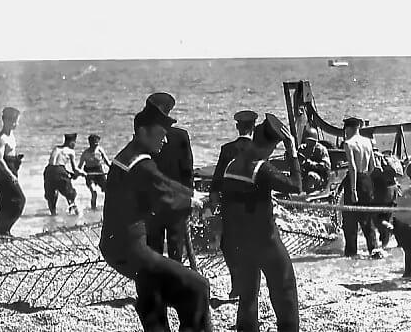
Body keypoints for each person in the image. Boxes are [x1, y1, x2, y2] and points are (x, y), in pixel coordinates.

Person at [99, 98, 210, 332]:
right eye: (161, 132)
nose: (166, 138)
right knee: (198, 287)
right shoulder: (141, 165)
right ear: (143, 132)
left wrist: (192, 193)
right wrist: (194, 202)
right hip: (131, 249)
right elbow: (164, 197)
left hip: (117, 246)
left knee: (154, 291)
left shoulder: (128, 156)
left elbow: (164, 184)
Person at [220, 113, 302, 332]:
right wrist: (292, 152)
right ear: (270, 146)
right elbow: (295, 185)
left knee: (248, 296)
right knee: (285, 291)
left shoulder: (231, 165)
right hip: (266, 241)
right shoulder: (261, 168)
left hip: (241, 243)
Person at [145, 93, 198, 268]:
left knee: (154, 249)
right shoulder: (181, 136)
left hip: (154, 201)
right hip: (177, 201)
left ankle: (155, 290)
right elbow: (187, 171)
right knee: (176, 248)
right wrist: (189, 199)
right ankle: (175, 287)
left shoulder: (144, 136)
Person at [209, 109, 258, 299]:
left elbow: (217, 180)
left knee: (229, 245)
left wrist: (214, 202)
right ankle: (249, 286)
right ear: (254, 127)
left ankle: (236, 284)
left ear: (237, 127)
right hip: (252, 206)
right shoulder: (259, 149)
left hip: (230, 206)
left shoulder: (227, 149)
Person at [341, 116, 381, 259]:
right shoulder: (368, 142)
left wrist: (353, 190)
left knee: (350, 220)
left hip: (355, 180)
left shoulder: (348, 143)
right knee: (367, 218)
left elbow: (352, 167)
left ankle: (351, 253)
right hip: (366, 181)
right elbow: (373, 166)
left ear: (349, 129)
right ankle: (374, 250)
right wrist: (365, 180)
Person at [0, 107, 26, 236]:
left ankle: (3, 231)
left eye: (16, 121)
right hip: (3, 174)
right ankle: (0, 231)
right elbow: (0, 160)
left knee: (7, 203)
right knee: (19, 200)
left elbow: (10, 155)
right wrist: (11, 175)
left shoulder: (11, 135)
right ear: (5, 120)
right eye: (13, 121)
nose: (16, 124)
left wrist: (17, 161)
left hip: (10, 171)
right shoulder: (1, 138)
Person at [371, 149, 403, 249]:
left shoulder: (374, 157)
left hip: (383, 191)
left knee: (376, 219)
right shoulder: (388, 157)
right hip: (394, 189)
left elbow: (373, 173)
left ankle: (392, 229)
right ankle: (385, 246)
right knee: (386, 218)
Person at [43, 133, 81, 216]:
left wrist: (67, 173)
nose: (75, 145)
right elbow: (75, 169)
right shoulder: (71, 151)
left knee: (51, 195)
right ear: (71, 142)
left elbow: (54, 164)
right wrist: (82, 173)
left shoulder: (56, 148)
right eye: (75, 142)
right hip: (60, 171)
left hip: (48, 170)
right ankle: (77, 213)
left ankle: (53, 215)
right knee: (70, 193)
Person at [78, 134, 110, 210]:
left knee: (108, 191)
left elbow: (107, 162)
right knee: (94, 192)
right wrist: (79, 173)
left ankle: (108, 207)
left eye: (97, 143)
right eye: (94, 144)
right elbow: (79, 167)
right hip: (89, 174)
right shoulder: (85, 153)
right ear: (90, 143)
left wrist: (113, 169)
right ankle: (93, 209)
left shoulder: (100, 150)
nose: (96, 145)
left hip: (99, 172)